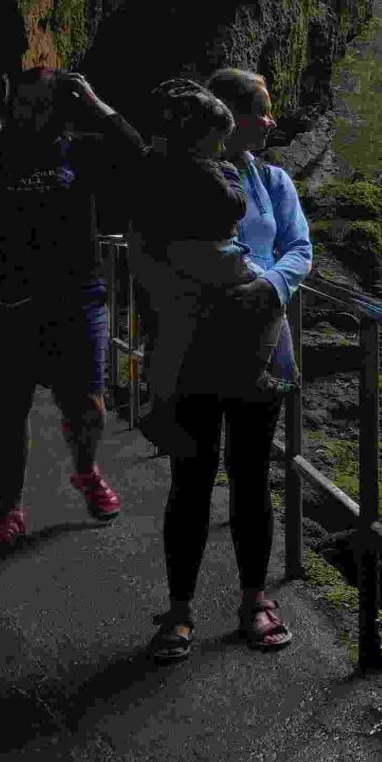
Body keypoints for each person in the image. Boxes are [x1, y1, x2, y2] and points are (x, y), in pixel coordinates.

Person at [136, 68, 311, 663]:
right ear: (230, 117)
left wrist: (269, 287)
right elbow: (151, 248)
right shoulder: (174, 176)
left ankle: (255, 600)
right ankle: (179, 611)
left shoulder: (274, 180)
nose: (270, 121)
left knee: (252, 473)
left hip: (259, 337)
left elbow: (299, 248)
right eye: (262, 110)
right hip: (193, 341)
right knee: (191, 475)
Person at [0, 68, 147, 552]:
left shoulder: (83, 149)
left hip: (76, 299)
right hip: (5, 305)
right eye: (25, 102)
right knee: (6, 410)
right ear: (11, 103)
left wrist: (94, 101)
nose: (33, 112)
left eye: (45, 102)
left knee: (86, 404)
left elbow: (138, 156)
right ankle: (10, 511)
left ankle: (86, 471)